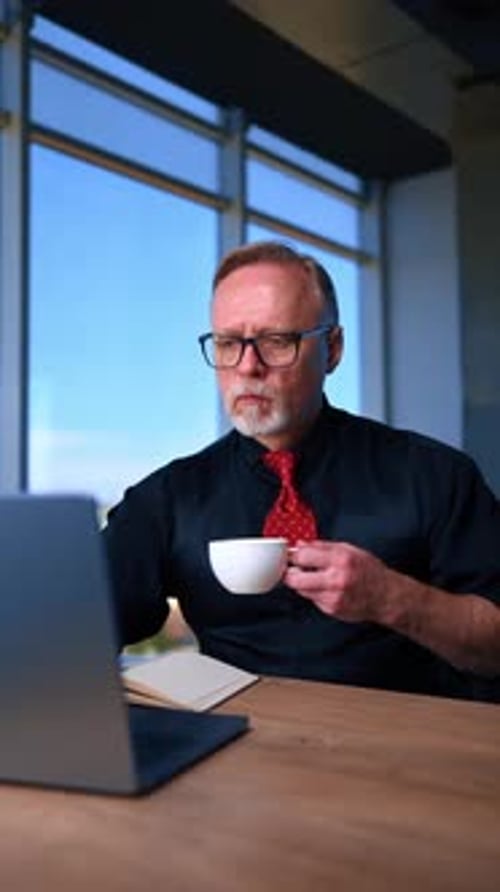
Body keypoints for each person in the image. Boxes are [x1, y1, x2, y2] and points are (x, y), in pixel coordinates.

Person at [104, 240, 500, 701]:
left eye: (276, 341)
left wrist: (392, 598)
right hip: (234, 735)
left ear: (332, 349)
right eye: (229, 343)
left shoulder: (435, 476)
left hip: (405, 736)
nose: (247, 367)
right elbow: (77, 623)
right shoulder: (168, 497)